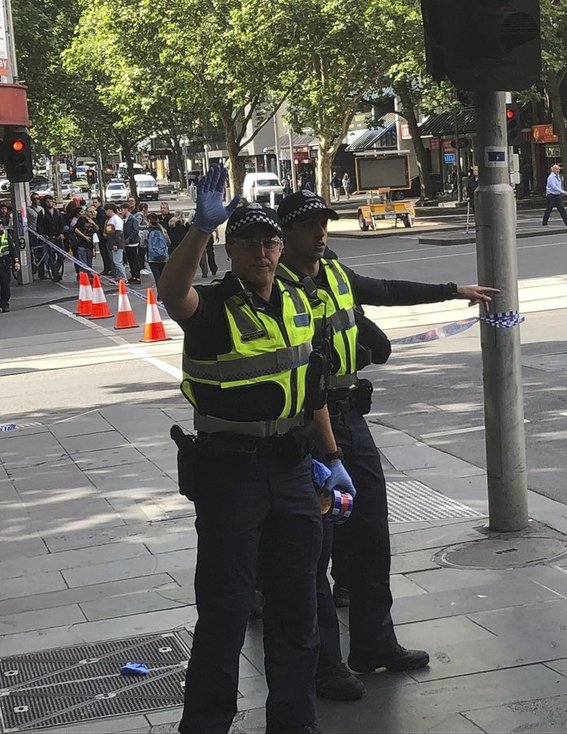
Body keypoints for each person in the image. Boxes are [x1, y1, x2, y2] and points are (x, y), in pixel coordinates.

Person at [274, 190, 498, 700]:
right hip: (306, 427)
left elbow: (386, 289)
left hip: (349, 417)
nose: (320, 232)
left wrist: (451, 289)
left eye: (324, 223)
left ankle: (374, 643)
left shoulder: (333, 270)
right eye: (309, 225)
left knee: (371, 531)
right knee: (317, 547)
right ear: (285, 233)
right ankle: (325, 663)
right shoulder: (277, 287)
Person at [157, 164, 354, 734]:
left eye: (269, 241)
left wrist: (333, 458)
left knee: (297, 611)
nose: (263, 252)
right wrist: (199, 230)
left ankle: (295, 722)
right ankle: (206, 725)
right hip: (230, 476)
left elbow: (310, 387)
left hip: (293, 470)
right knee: (226, 609)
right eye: (247, 242)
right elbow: (172, 293)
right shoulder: (212, 306)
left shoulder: (295, 302)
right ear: (233, 248)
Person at [0, 203, 20, 312]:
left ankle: (4, 303)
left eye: (1, 224)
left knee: (5, 285)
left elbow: (12, 248)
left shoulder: (6, 235)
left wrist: (16, 261)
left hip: (4, 263)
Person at [146, 212, 170, 285]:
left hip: (152, 258)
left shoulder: (146, 231)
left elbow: (142, 244)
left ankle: (159, 295)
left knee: (157, 278)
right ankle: (166, 293)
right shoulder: (163, 231)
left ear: (149, 221)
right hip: (164, 257)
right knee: (164, 277)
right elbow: (168, 242)